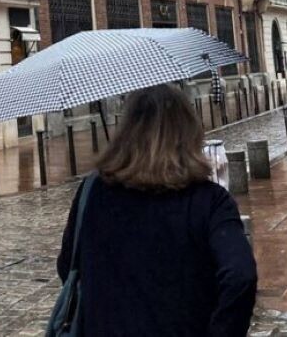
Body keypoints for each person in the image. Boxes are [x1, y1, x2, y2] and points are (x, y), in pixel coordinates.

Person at [57, 84, 257, 335]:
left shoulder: (92, 191)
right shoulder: (210, 201)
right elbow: (240, 276)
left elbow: (68, 265)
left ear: (126, 132)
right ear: (189, 131)